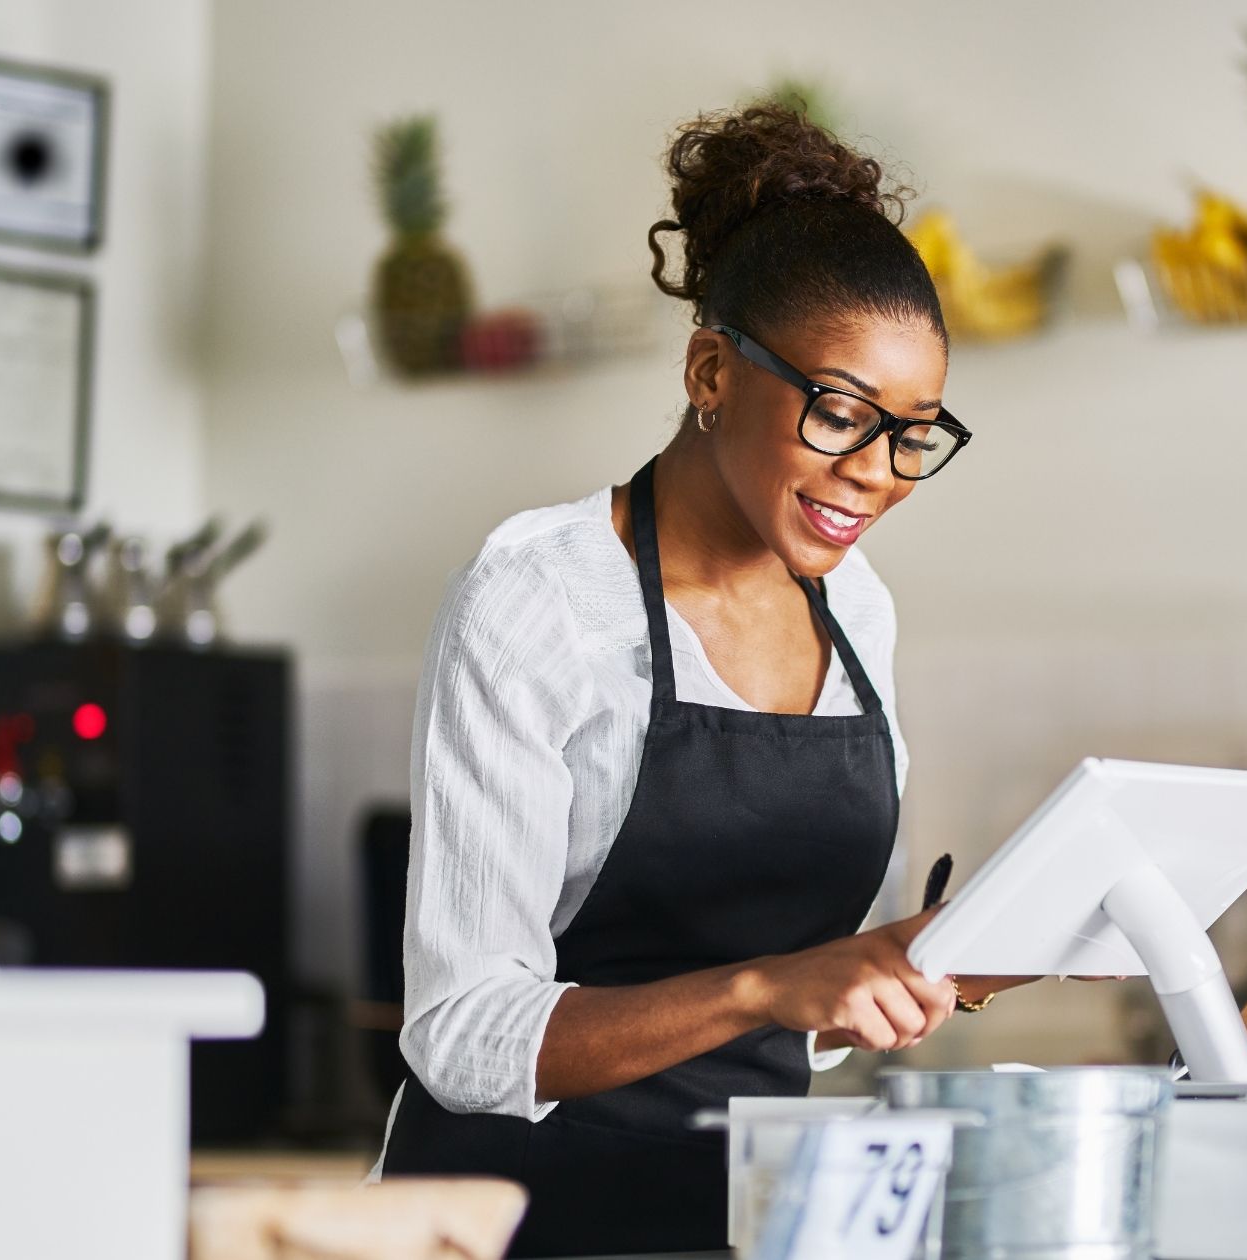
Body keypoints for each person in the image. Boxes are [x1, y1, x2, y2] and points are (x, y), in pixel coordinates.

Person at [376, 104, 1015, 1257]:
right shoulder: (538, 602)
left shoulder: (857, 610)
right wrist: (765, 988)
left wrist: (910, 968)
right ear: (712, 370)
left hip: (744, 1223)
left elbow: (801, 1009)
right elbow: (461, 1033)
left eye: (914, 433)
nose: (876, 475)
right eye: (839, 412)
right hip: (510, 1222)